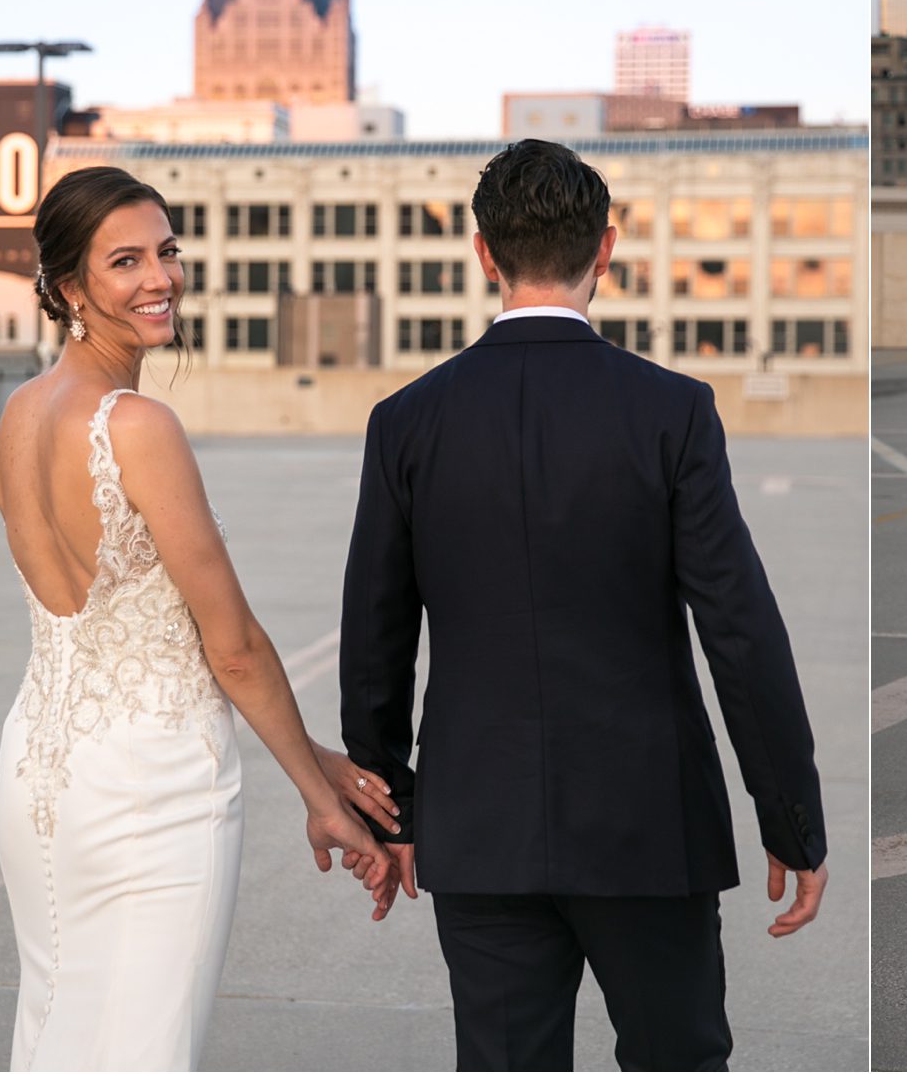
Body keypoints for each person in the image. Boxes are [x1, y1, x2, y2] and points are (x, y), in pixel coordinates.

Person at [338, 138, 829, 1072]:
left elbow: (374, 640)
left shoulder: (406, 421)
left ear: (483, 254)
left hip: (479, 824)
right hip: (648, 822)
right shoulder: (672, 411)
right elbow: (740, 631)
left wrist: (392, 812)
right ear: (606, 248)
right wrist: (791, 819)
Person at [0, 166, 393, 1072]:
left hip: (38, 778)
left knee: (57, 1036)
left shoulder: (19, 414)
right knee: (142, 1051)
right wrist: (320, 799)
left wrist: (315, 757)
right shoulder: (138, 425)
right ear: (69, 288)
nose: (161, 278)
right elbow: (233, 646)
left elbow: (141, 636)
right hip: (153, 790)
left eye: (166, 251)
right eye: (125, 261)